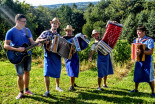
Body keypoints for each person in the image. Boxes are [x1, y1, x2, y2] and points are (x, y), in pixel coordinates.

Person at [4, 14, 36, 99]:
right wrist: (18, 50)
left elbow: (32, 42)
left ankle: (27, 89)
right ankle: (21, 92)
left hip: (27, 55)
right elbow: (6, 45)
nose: (25, 23)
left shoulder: (27, 30)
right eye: (23, 21)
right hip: (17, 56)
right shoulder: (10, 32)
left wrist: (37, 43)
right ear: (17, 21)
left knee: (27, 72)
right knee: (20, 75)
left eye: (25, 21)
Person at [36, 17, 63, 97]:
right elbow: (37, 40)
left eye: (56, 23)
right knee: (46, 73)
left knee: (57, 72)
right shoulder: (46, 32)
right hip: (48, 55)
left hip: (57, 56)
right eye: (53, 23)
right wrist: (44, 40)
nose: (55, 24)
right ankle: (47, 91)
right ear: (51, 24)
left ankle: (57, 86)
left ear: (58, 26)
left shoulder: (59, 36)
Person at [129, 25, 155, 97]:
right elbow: (134, 50)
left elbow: (151, 52)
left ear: (144, 32)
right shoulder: (136, 40)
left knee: (149, 76)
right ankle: (136, 89)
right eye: (137, 32)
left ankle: (153, 92)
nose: (138, 33)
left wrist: (142, 51)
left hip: (147, 61)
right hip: (138, 61)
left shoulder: (149, 40)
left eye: (139, 32)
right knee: (137, 74)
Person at [63, 25, 79, 91]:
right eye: (68, 31)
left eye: (70, 31)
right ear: (66, 31)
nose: (69, 32)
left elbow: (78, 46)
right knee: (71, 69)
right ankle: (71, 86)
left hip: (75, 55)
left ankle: (73, 83)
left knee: (75, 69)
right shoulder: (63, 38)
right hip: (68, 56)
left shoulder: (74, 37)